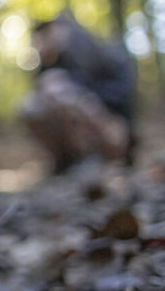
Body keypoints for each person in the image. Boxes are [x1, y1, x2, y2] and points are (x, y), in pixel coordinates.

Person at [21, 13, 135, 172]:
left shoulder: (104, 53)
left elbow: (122, 94)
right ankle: (65, 161)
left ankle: (102, 159)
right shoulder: (50, 64)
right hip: (79, 122)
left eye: (50, 31)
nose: (45, 38)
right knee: (31, 105)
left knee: (64, 96)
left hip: (113, 122)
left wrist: (79, 92)